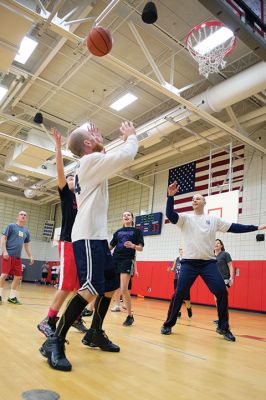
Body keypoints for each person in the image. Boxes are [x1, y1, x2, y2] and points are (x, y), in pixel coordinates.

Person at [40, 120, 138, 371]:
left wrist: (98, 143)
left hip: (97, 236)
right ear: (86, 143)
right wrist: (130, 136)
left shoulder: (91, 162)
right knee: (90, 288)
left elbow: (104, 152)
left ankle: (94, 332)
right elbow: (126, 155)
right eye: (93, 134)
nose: (98, 134)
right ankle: (56, 340)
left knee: (110, 287)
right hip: (87, 236)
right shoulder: (88, 162)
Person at [161, 181, 266, 342]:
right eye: (193, 199)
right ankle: (168, 324)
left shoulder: (213, 220)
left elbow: (235, 227)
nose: (194, 200)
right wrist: (170, 197)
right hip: (188, 263)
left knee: (222, 292)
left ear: (204, 202)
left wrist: (256, 228)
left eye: (198, 198)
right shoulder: (185, 219)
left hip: (208, 264)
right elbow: (170, 215)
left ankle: (223, 327)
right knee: (179, 293)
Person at [37, 128, 87, 337]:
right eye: (68, 178)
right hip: (67, 242)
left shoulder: (84, 198)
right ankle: (48, 320)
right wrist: (58, 148)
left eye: (73, 177)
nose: (70, 179)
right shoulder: (66, 196)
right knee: (66, 285)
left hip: (81, 244)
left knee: (78, 286)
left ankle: (74, 317)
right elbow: (59, 170)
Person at [109, 212, 143, 325]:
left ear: (132, 218)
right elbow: (110, 246)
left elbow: (140, 248)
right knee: (111, 287)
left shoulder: (137, 231)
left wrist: (133, 246)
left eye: (128, 215)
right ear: (122, 219)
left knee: (123, 289)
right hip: (115, 260)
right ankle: (114, 305)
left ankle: (129, 316)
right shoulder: (117, 232)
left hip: (127, 260)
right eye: (124, 215)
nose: (126, 216)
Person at [0, 211, 34, 305]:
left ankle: (12, 297)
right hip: (8, 255)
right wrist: (4, 251)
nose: (23, 216)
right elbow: (3, 238)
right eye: (21, 214)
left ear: (26, 219)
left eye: (25, 215)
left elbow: (26, 245)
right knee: (4, 275)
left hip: (17, 257)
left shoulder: (26, 231)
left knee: (18, 277)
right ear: (17, 217)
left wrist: (30, 256)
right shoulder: (11, 226)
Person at [213, 239, 233, 325]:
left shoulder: (225, 254)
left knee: (223, 300)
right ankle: (220, 318)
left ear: (221, 245)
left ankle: (224, 320)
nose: (216, 244)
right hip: (215, 280)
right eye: (215, 243)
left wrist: (232, 278)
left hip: (225, 279)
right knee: (217, 300)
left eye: (218, 243)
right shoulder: (211, 256)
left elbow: (230, 266)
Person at [168, 248, 192, 319]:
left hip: (185, 280)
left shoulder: (187, 260)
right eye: (180, 251)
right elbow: (173, 269)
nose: (182, 252)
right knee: (177, 297)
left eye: (183, 250)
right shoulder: (176, 259)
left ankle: (189, 309)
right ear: (179, 252)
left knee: (186, 298)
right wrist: (170, 269)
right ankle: (178, 312)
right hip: (177, 279)